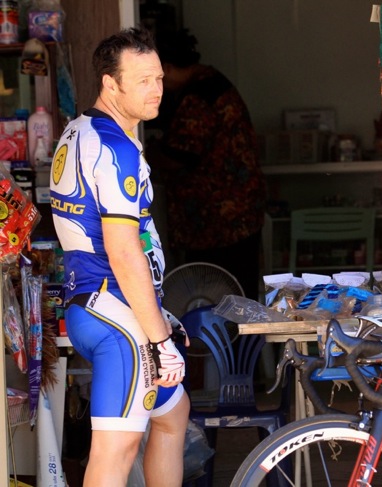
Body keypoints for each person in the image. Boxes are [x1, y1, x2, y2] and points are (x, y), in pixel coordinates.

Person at [49, 28, 190, 487]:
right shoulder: (115, 147)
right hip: (115, 316)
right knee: (114, 452)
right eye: (144, 80)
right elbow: (124, 249)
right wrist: (158, 338)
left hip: (96, 305)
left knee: (173, 413)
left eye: (160, 78)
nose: (157, 90)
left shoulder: (79, 129)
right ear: (111, 85)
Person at [146, 28, 267, 301]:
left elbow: (181, 154)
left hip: (220, 218)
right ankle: (237, 344)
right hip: (235, 212)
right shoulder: (212, 82)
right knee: (238, 294)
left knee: (221, 296)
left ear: (165, 67)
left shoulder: (199, 96)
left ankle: (227, 345)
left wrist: (145, 154)